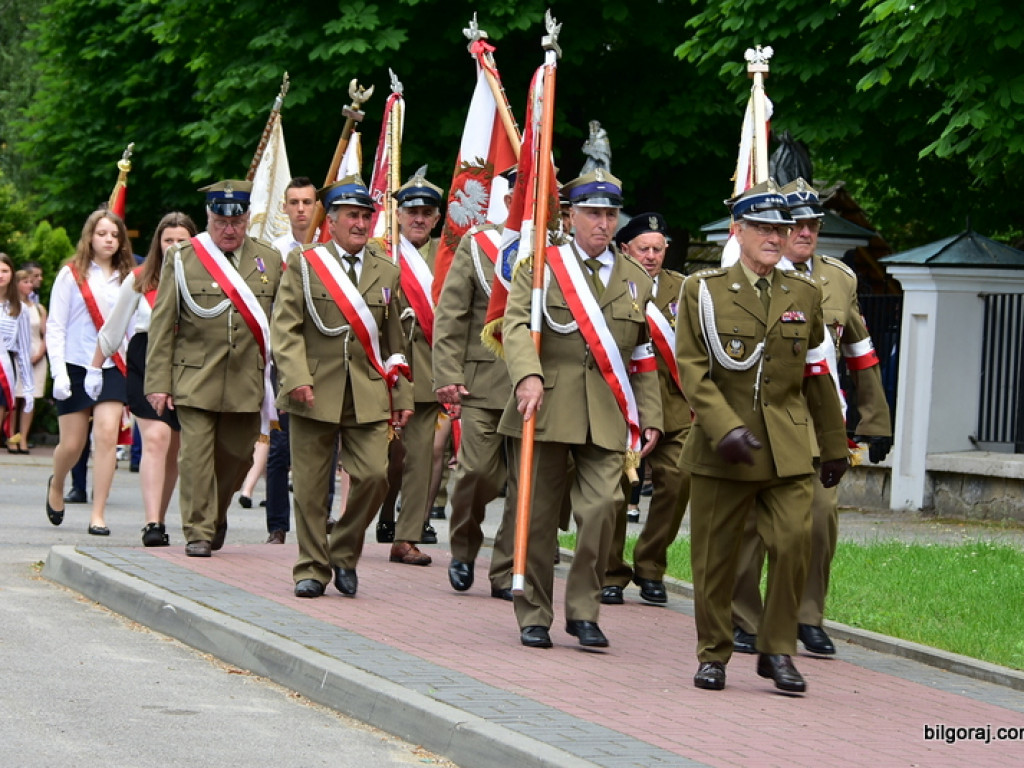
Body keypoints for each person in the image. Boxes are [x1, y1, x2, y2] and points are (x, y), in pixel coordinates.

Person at [675, 179, 849, 693]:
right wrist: (724, 426)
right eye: (763, 228)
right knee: (715, 557)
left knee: (796, 542)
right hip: (723, 447)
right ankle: (714, 652)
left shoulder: (804, 293)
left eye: (782, 228)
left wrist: (835, 444)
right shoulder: (703, 290)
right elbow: (692, 368)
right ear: (739, 231)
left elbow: (815, 371)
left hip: (788, 446)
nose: (776, 237)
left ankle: (777, 650)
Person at [499, 169, 663, 649]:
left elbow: (642, 355)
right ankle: (533, 612)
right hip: (547, 405)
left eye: (610, 214)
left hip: (608, 411)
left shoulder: (635, 279)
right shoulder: (541, 268)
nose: (603, 223)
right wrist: (527, 374)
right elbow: (514, 326)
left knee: (604, 510)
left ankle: (583, 610)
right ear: (570, 216)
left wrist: (650, 414)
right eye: (593, 213)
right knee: (537, 517)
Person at [731, 178, 893, 656]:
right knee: (750, 525)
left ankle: (808, 616)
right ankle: (744, 616)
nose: (805, 232)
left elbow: (859, 347)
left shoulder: (840, 278)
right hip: (759, 414)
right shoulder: (749, 271)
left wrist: (874, 419)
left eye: (813, 224)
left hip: (816, 417)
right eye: (796, 223)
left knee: (819, 521)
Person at [270, 175, 411, 597]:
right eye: (351, 215)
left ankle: (344, 550)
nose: (361, 224)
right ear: (330, 220)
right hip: (313, 389)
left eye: (366, 216)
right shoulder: (304, 263)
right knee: (312, 488)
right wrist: (295, 377)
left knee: (375, 477)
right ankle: (311, 568)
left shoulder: (386, 269)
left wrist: (401, 394)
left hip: (367, 391)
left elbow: (395, 342)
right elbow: (286, 327)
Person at [146, 180, 283, 557]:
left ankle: (216, 513)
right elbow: (163, 323)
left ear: (247, 219)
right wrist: (158, 382)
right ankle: (198, 531)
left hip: (246, 380)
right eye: (220, 221)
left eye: (237, 221)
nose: (229, 229)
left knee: (237, 457)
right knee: (195, 456)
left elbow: (284, 325)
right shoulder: (185, 257)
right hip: (194, 376)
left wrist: (287, 382)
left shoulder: (268, 260)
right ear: (209, 218)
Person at [601, 213, 692, 606]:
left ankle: (651, 564)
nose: (653, 256)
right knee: (614, 492)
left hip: (674, 404)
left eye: (658, 248)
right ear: (625, 249)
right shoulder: (608, 283)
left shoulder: (684, 288)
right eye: (644, 248)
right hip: (623, 403)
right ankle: (609, 571)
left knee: (679, 478)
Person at [433, 174, 517, 598]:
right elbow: (452, 313)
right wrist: (448, 372)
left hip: (540, 387)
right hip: (484, 381)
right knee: (477, 473)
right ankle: (464, 547)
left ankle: (505, 571)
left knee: (527, 486)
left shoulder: (561, 247)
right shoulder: (481, 243)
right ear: (509, 197)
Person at [92, 212, 196, 546]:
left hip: (187, 365)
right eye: (169, 241)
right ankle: (152, 523)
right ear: (158, 244)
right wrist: (95, 370)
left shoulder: (204, 281)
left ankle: (161, 516)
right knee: (156, 438)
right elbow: (112, 330)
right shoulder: (139, 279)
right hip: (146, 360)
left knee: (174, 447)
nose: (175, 246)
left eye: (182, 240)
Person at [44, 209, 135, 535]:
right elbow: (55, 326)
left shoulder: (129, 277)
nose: (109, 240)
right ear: (90, 237)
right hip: (74, 365)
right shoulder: (72, 274)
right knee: (72, 445)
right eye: (102, 234)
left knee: (108, 436)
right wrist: (59, 374)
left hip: (112, 366)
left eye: (114, 235)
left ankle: (98, 513)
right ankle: (57, 483)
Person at [388, 167, 444, 566]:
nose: (419, 218)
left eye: (427, 212)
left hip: (426, 370)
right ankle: (365, 519)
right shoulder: (382, 253)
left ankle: (406, 536)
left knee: (420, 460)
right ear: (399, 215)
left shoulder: (449, 257)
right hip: (383, 370)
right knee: (378, 462)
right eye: (412, 212)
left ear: (437, 218)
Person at [9, 268, 47, 453]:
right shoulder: (10, 306)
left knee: (29, 399)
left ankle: (24, 438)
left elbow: (47, 334)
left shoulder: (39, 309)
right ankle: (11, 437)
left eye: (31, 282)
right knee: (14, 400)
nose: (29, 285)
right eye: (25, 282)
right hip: (16, 357)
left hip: (36, 357)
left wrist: (40, 353)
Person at [1, 255, 34, 450]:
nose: (0, 275)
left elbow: (23, 349)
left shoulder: (19, 308)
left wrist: (28, 389)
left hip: (3, 370)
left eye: (4, 270)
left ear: (12, 274)